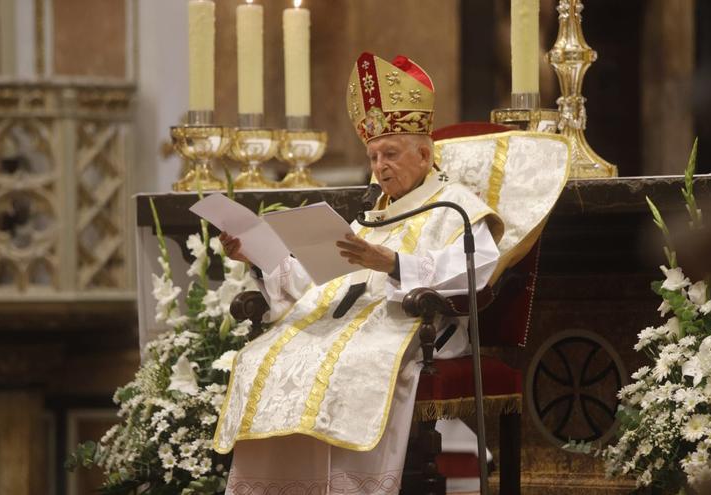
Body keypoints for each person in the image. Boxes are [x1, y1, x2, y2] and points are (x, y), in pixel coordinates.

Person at [212, 52, 504, 494]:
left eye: (390, 154)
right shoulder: (371, 217)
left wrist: (394, 264)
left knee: (350, 365)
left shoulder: (455, 205)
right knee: (263, 358)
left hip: (413, 326)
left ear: (424, 154)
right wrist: (256, 255)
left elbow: (479, 266)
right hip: (347, 321)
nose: (380, 167)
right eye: (373, 157)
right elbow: (317, 281)